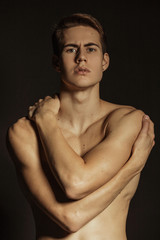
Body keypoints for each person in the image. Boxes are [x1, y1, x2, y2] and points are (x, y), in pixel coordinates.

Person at [7, 13, 155, 240]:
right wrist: (133, 166)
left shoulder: (128, 120)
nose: (81, 58)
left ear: (105, 61)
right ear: (57, 62)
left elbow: (77, 183)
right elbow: (70, 217)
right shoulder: (24, 132)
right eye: (71, 49)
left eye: (91, 49)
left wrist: (45, 118)